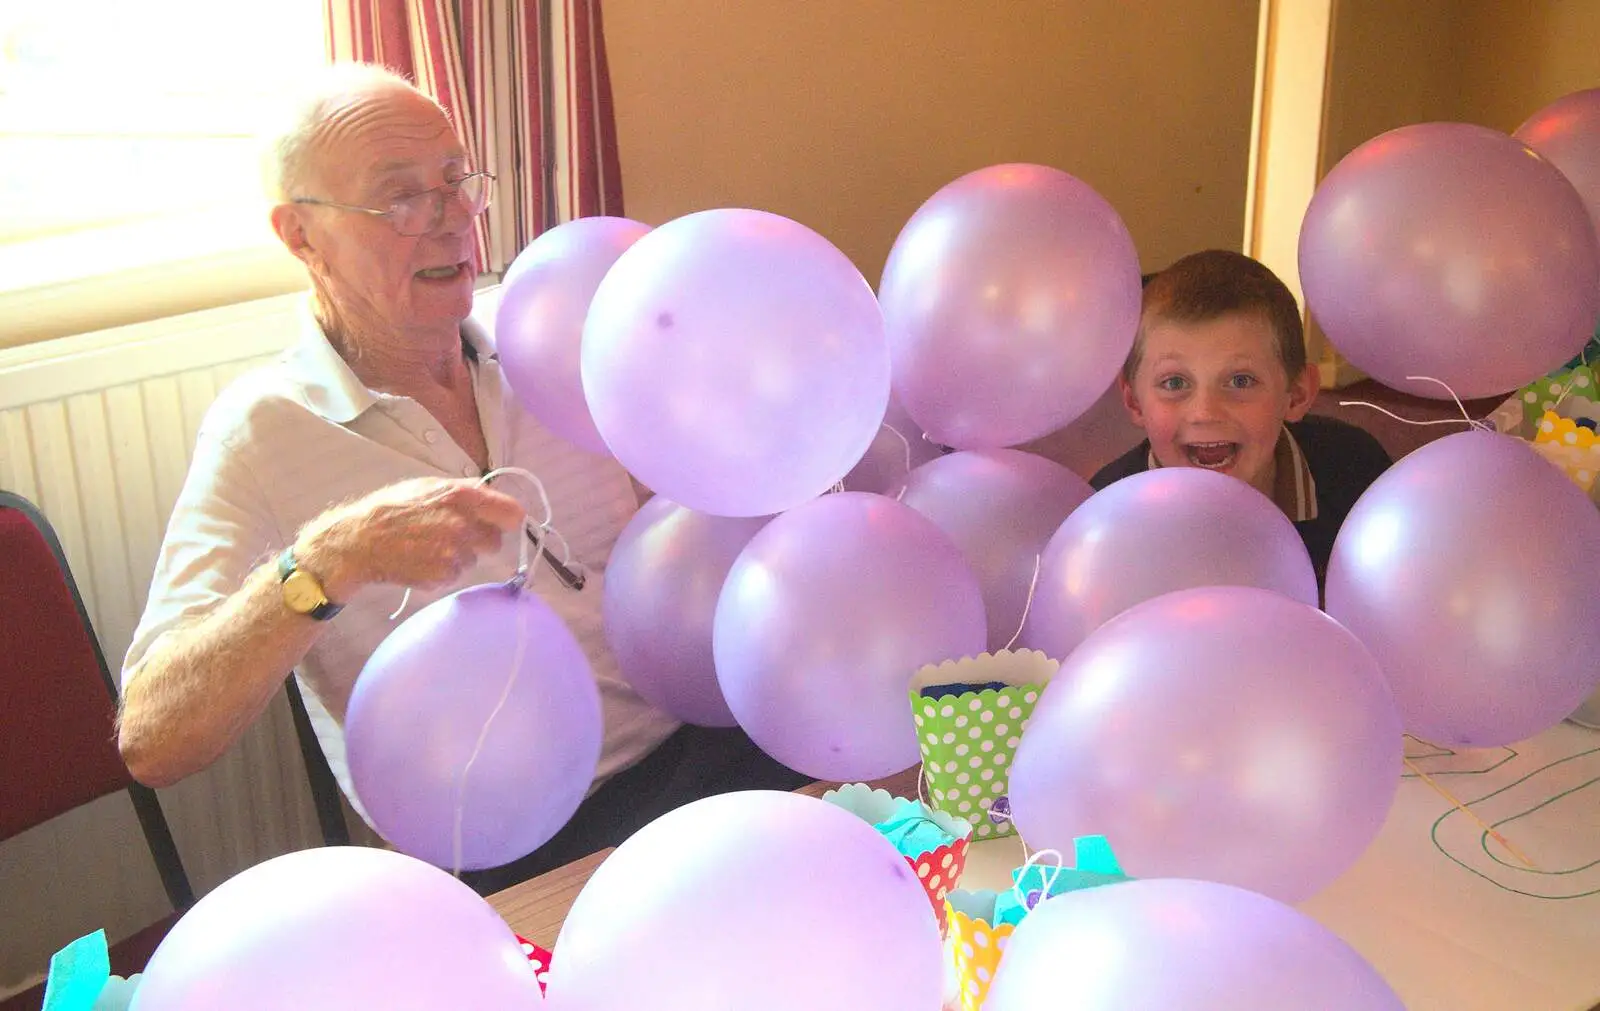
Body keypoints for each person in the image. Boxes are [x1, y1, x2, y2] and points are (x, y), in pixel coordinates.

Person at [117, 63, 806, 893]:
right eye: (400, 198)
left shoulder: (556, 343)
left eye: (457, 182)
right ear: (300, 234)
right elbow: (154, 738)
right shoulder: (263, 431)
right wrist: (327, 561)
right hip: (525, 849)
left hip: (707, 749)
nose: (449, 223)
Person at [1091, 250, 1391, 585]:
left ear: (1297, 394)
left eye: (1240, 381)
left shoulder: (1357, 474)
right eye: (1174, 383)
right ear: (1134, 402)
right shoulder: (1103, 516)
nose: (1205, 412)